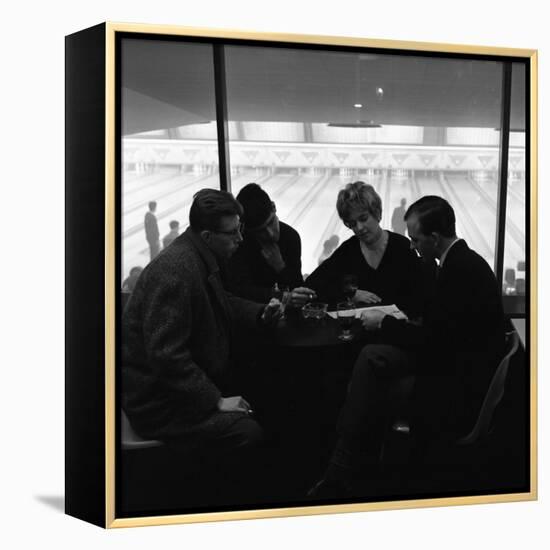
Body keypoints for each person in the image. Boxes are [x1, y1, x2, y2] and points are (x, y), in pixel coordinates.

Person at [310, 196, 506, 497]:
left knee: (368, 380)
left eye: (415, 239)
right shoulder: (459, 263)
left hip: (456, 385)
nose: (412, 246)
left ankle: (346, 468)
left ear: (434, 238)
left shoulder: (459, 272)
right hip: (454, 365)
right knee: (370, 358)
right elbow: (440, 333)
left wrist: (384, 324)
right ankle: (356, 462)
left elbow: (434, 345)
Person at [122, 189, 282, 461]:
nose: (240, 239)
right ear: (208, 236)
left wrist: (259, 313)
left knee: (266, 384)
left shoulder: (199, 254)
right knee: (248, 431)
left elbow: (222, 300)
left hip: (183, 387)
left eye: (239, 229)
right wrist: (215, 401)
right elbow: (167, 356)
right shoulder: (176, 271)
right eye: (232, 233)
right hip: (160, 404)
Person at [305, 181, 424, 316]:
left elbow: (418, 299)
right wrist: (350, 294)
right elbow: (313, 284)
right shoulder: (348, 250)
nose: (359, 228)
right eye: (352, 223)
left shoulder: (402, 247)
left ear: (377, 213)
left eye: (363, 218)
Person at [225, 183, 316, 307]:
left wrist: (280, 266)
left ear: (274, 207)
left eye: (271, 222)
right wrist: (281, 296)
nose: (270, 233)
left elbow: (297, 288)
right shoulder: (240, 242)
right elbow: (241, 291)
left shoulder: (290, 236)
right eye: (260, 231)